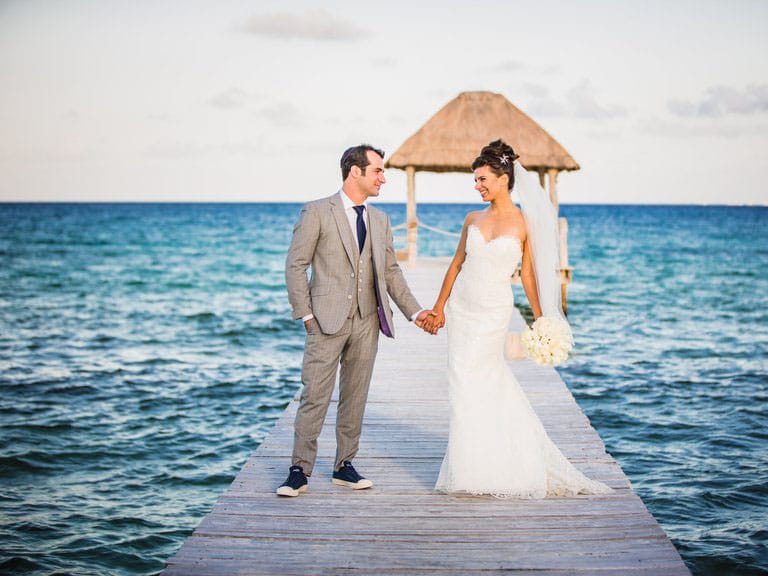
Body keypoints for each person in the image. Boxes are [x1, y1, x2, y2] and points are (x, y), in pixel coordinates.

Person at [423, 139, 611, 498]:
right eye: (475, 181)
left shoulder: (525, 223)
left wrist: (542, 320)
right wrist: (439, 307)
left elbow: (527, 276)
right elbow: (456, 264)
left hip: (493, 311)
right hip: (463, 309)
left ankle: (503, 461)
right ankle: (469, 467)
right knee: (461, 385)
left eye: (482, 180)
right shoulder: (471, 219)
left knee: (485, 380)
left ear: (502, 178)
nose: (477, 186)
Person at [279, 144, 433, 497]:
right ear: (355, 172)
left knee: (355, 395)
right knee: (315, 395)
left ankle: (343, 466)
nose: (383, 177)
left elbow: (391, 271)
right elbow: (295, 264)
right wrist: (305, 314)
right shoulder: (317, 211)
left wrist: (416, 311)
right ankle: (299, 470)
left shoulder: (380, 220)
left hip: (368, 320)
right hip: (325, 320)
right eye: (378, 170)